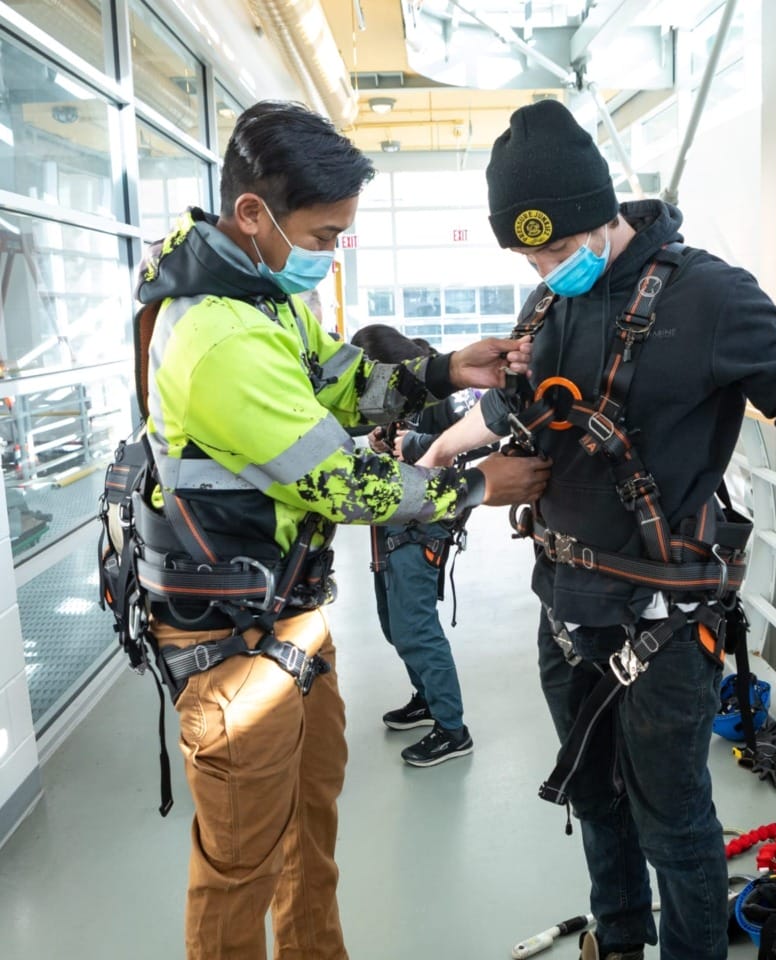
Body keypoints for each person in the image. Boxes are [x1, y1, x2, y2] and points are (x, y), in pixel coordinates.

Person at [417, 99, 776, 960]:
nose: (543, 266)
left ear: (602, 213)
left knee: (674, 822)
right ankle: (622, 941)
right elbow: (509, 407)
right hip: (562, 605)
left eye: (555, 249)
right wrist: (430, 465)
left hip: (661, 627)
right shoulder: (549, 306)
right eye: (527, 253)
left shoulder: (708, 296)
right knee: (592, 797)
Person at [132, 100, 549, 960]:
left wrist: (440, 369)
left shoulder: (258, 301)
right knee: (240, 861)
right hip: (230, 644)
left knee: (309, 822)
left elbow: (333, 379)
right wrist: (474, 485)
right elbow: (341, 480)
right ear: (254, 215)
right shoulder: (216, 338)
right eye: (322, 237)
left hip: (288, 617)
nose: (329, 255)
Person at [351, 324, 483, 766]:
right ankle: (427, 698)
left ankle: (452, 728)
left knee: (416, 629)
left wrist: (419, 444)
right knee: (394, 626)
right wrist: (379, 445)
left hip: (424, 525)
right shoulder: (392, 399)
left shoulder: (443, 399)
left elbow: (479, 450)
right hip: (390, 520)